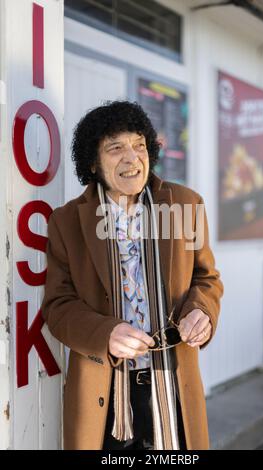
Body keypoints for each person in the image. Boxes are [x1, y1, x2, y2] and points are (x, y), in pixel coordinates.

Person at [41, 100, 224, 450]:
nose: (132, 157)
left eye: (139, 145)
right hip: (103, 395)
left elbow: (207, 279)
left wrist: (202, 310)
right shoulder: (66, 221)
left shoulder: (186, 204)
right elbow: (57, 306)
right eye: (116, 148)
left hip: (172, 389)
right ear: (93, 163)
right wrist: (105, 333)